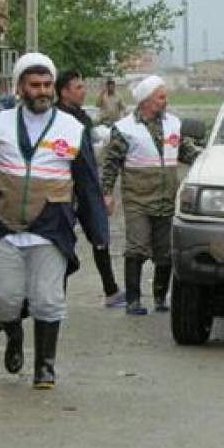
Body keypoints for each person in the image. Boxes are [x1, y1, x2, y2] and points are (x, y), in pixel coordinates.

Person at [0, 53, 109, 389]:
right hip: (4, 224)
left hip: (51, 227)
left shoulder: (72, 129)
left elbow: (87, 184)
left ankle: (45, 366)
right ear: (20, 88)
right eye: (35, 85)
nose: (42, 91)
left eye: (47, 85)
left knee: (47, 298)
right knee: (4, 298)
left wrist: (97, 230)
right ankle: (13, 335)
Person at [101, 75, 200, 315]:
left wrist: (210, 160)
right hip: (138, 199)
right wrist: (106, 194)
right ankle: (134, 299)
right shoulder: (124, 129)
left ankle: (159, 297)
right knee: (136, 247)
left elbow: (187, 153)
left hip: (167, 198)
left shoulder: (174, 124)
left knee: (165, 251)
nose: (165, 101)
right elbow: (111, 164)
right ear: (145, 100)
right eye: (161, 97)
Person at [55, 69, 125, 309]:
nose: (83, 91)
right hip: (66, 188)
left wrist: (102, 191)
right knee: (61, 241)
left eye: (83, 87)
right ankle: (55, 296)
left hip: (88, 187)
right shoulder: (56, 120)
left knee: (100, 237)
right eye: (78, 88)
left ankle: (111, 291)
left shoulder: (82, 118)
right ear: (64, 92)